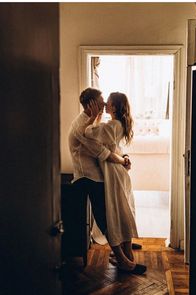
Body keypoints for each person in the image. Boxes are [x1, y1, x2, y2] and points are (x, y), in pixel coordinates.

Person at [85, 92, 147, 274]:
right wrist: (124, 157)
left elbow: (89, 133)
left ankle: (125, 257)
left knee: (117, 213)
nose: (105, 104)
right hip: (118, 172)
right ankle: (127, 255)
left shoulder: (111, 125)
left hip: (113, 174)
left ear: (114, 106)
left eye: (108, 102)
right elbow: (114, 147)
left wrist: (93, 118)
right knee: (123, 211)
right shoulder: (118, 124)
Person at [68, 88, 130, 266]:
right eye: (100, 101)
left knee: (112, 214)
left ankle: (124, 252)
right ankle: (122, 259)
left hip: (99, 175)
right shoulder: (81, 127)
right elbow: (103, 152)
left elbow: (109, 145)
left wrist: (124, 157)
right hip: (88, 177)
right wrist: (123, 161)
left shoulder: (92, 122)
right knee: (105, 217)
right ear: (91, 104)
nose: (104, 104)